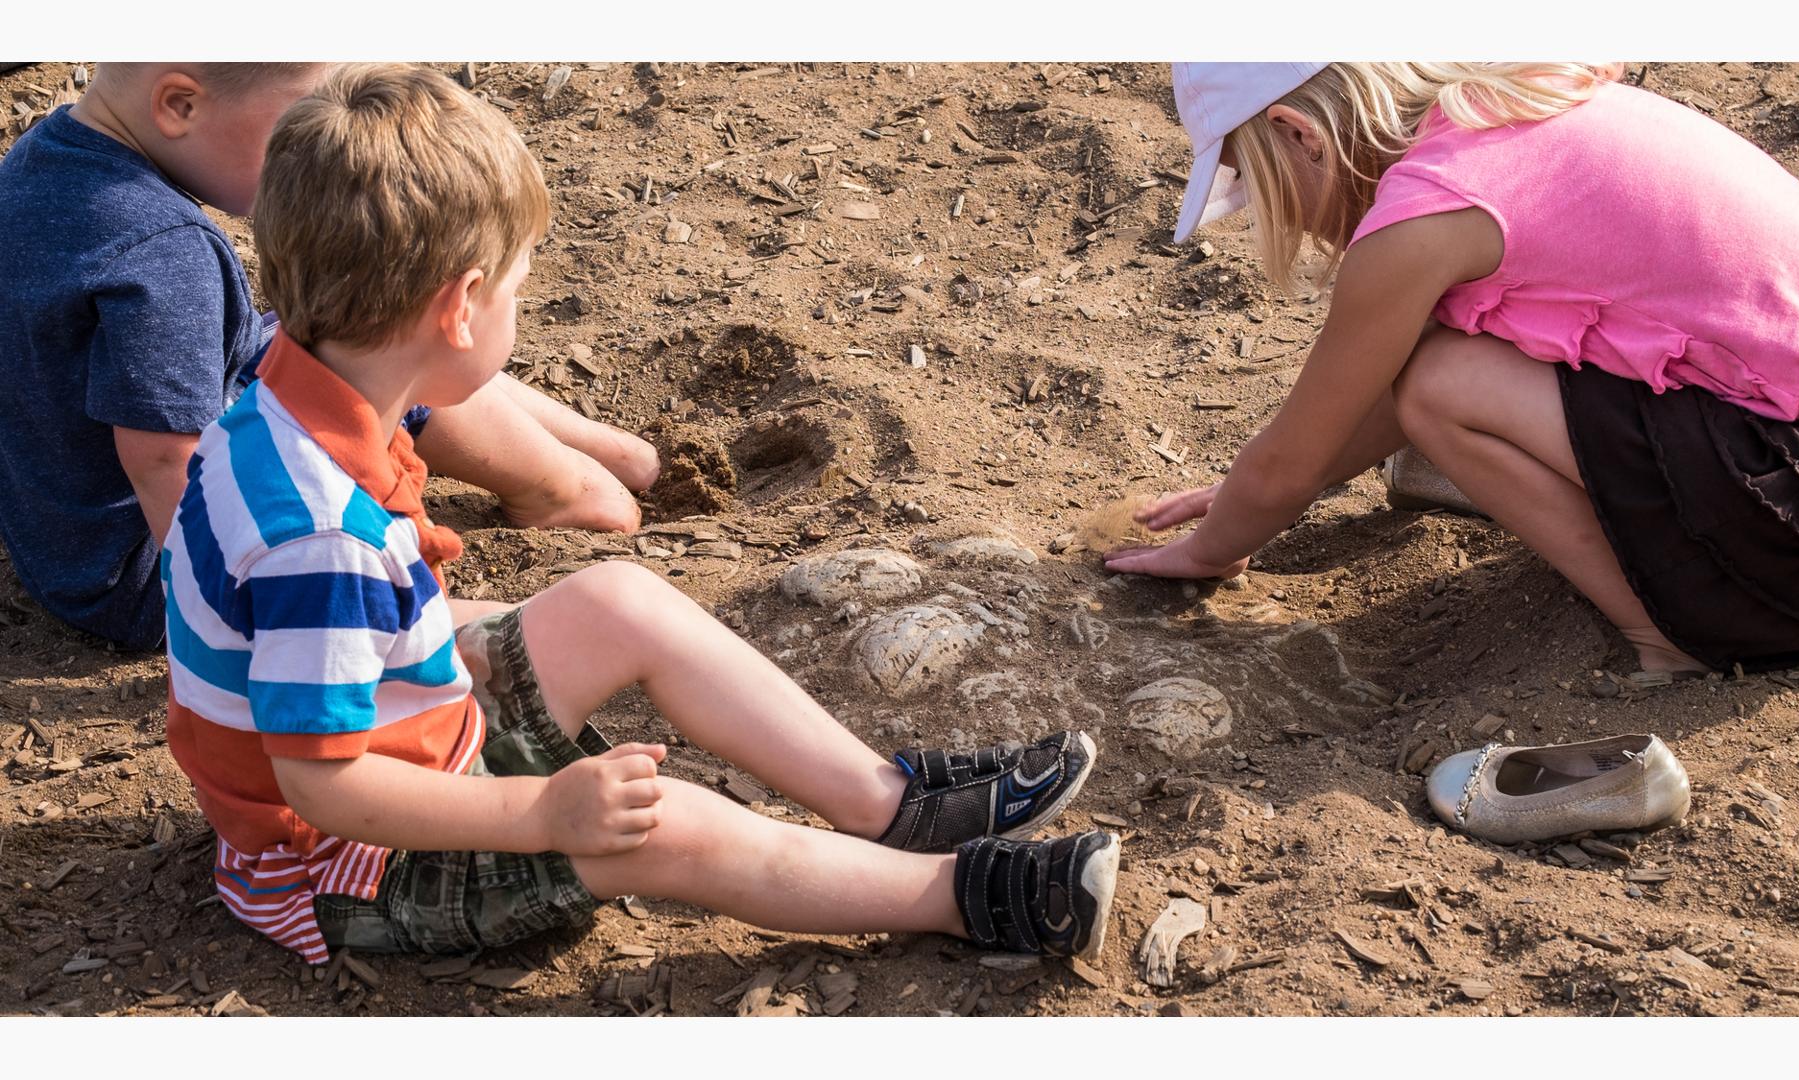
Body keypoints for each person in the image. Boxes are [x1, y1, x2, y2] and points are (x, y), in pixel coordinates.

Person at [161, 63, 1118, 966]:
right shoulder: (319, 533)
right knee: (672, 823)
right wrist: (542, 814)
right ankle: (960, 893)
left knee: (620, 598)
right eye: (519, 289)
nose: (520, 309)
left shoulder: (278, 409)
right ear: (461, 307)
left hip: (412, 731)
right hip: (352, 865)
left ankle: (888, 803)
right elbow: (321, 784)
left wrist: (473, 651)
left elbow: (310, 642)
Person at [1107, 63, 1799, 676]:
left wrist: (1216, 546)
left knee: (1444, 390)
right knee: (1443, 367)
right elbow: (1330, 429)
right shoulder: (1522, 101)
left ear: (1299, 134)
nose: (1271, 209)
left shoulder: (1421, 220)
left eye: (1253, 179)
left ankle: (1669, 634)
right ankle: (1690, 589)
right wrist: (1277, 484)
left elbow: (1350, 421)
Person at [0, 62, 657, 652]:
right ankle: (558, 488)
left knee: (329, 330)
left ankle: (604, 453)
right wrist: (235, 611)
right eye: (302, 126)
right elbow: (165, 459)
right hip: (153, 574)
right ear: (180, 105)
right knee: (379, 341)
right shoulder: (164, 251)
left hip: (61, 532)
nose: (325, 155)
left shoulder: (45, 163)